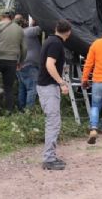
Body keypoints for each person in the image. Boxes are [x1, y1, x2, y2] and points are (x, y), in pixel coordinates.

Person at [37, 20, 72, 171]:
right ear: (68, 32)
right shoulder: (56, 44)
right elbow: (49, 64)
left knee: (53, 122)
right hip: (48, 87)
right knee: (53, 123)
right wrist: (62, 83)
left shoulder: (50, 40)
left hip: (45, 86)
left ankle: (50, 156)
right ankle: (48, 159)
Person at [0, 11, 26, 113]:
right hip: (12, 61)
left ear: (1, 16)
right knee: (9, 88)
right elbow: (24, 49)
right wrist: (20, 62)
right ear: (12, 17)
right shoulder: (19, 29)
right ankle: (9, 111)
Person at [18, 18, 42, 112]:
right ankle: (29, 111)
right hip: (30, 65)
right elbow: (42, 27)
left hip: (20, 64)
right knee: (32, 88)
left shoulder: (18, 33)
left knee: (22, 88)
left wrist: (32, 23)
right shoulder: (29, 31)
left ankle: (21, 110)